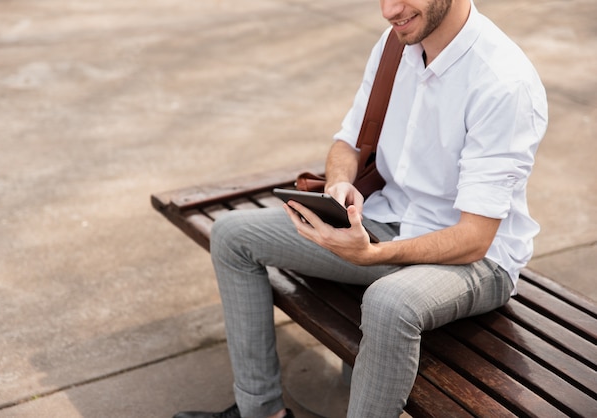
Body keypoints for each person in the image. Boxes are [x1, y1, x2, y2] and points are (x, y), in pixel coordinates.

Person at [173, 0, 547, 416]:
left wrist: (372, 255)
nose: (389, 10)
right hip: (385, 221)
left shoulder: (503, 82)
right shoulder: (397, 45)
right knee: (231, 236)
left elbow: (475, 238)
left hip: (473, 261)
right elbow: (348, 142)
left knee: (389, 304)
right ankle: (260, 411)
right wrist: (339, 184)